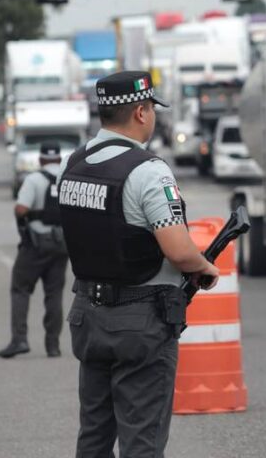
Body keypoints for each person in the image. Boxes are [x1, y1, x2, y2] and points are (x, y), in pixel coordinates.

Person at [61, 71, 219, 458]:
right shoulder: (148, 171)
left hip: (88, 316)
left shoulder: (76, 163)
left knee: (95, 434)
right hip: (139, 321)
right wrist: (205, 267)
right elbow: (178, 250)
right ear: (141, 112)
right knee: (142, 441)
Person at [0, 142, 69, 359]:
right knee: (54, 294)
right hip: (62, 244)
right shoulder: (68, 180)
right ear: (59, 159)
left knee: (20, 288)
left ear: (40, 160)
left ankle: (19, 339)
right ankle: (53, 345)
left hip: (36, 244)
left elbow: (21, 208)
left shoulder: (34, 179)